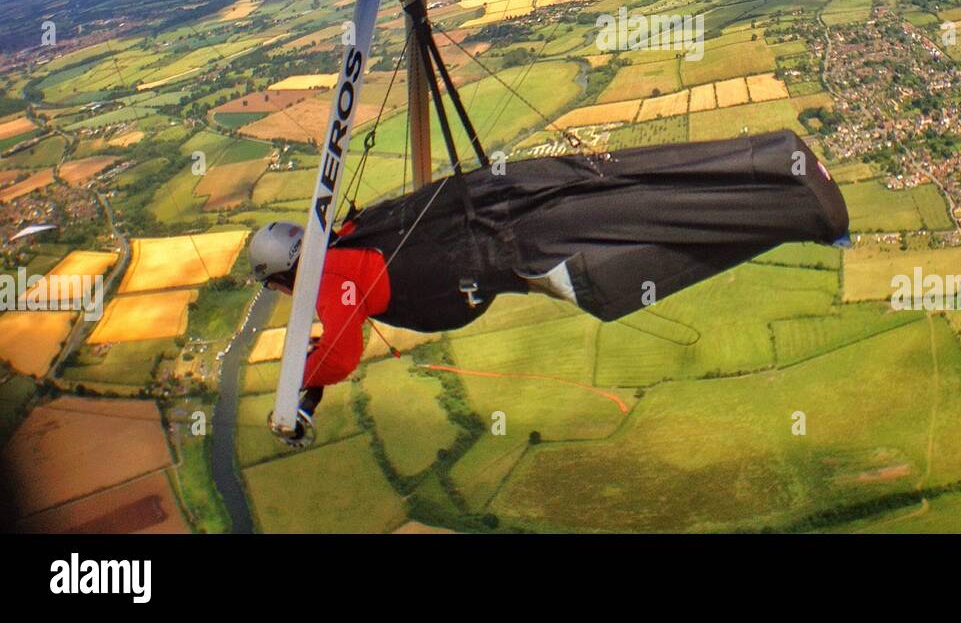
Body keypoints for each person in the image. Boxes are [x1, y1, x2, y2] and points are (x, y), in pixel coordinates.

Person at [249, 129, 849, 444]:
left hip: (507, 250)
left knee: (627, 257)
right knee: (627, 188)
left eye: (281, 286)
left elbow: (343, 350)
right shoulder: (348, 234)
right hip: (503, 201)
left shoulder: (331, 275)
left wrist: (301, 378)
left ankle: (803, 210)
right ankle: (777, 163)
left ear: (285, 275)